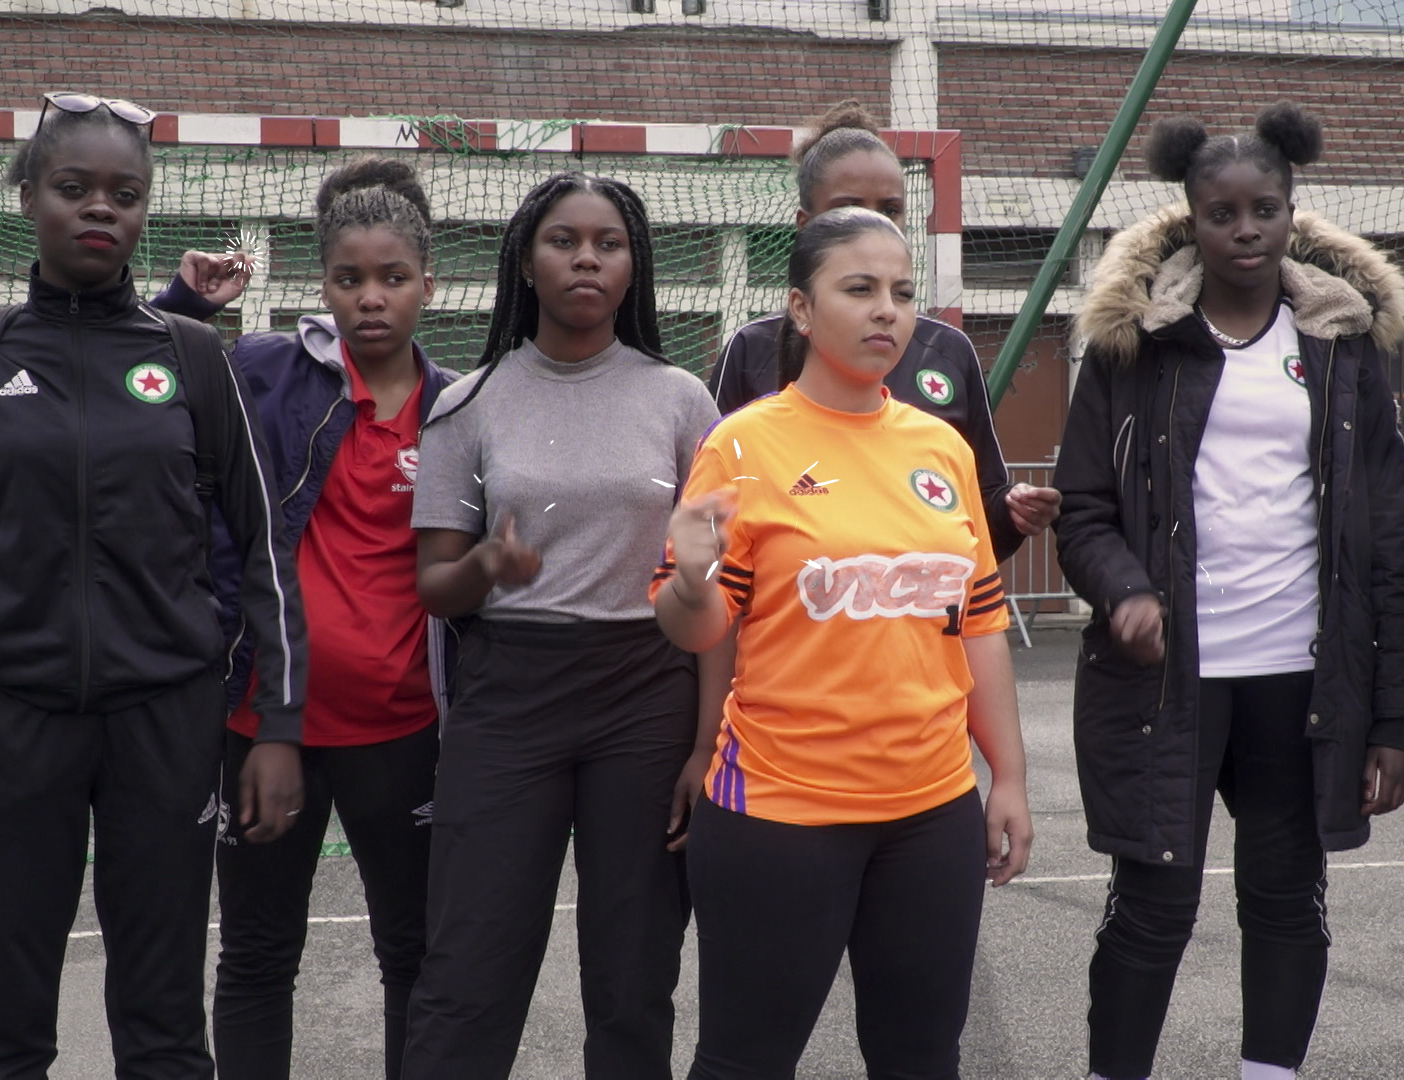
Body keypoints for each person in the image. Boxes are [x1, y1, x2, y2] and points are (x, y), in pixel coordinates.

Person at [0, 91, 305, 1079]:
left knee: (165, 1030)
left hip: (166, 727)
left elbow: (264, 551)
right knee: (7, 1035)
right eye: (74, 186)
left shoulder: (192, 358)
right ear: (29, 197)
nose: (101, 207)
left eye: (124, 194)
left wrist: (278, 725)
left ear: (144, 211)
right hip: (17, 725)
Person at [1052, 103, 1404, 1080]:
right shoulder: (1134, 346)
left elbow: (1390, 534)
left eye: (1265, 208)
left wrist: (1398, 713)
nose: (1246, 229)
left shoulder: (1342, 345)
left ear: (1293, 211)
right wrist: (1124, 592)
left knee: (1286, 898)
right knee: (1153, 907)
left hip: (1302, 679)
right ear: (1193, 218)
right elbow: (1082, 510)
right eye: (1222, 213)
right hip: (1166, 679)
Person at [653, 205, 1035, 1079]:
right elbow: (696, 628)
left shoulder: (941, 448)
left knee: (922, 1059)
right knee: (744, 1062)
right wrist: (691, 577)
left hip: (931, 809)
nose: (886, 310)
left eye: (901, 291)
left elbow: (977, 623)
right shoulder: (743, 444)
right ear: (799, 307)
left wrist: (1008, 777)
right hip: (780, 811)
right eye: (858, 289)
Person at [401, 172, 718, 1079]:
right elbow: (434, 587)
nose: (586, 258)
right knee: (470, 963)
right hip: (511, 692)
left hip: (646, 690)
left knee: (633, 972)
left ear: (634, 266)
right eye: (563, 241)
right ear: (524, 262)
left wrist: (705, 746)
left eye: (608, 244)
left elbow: (715, 590)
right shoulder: (469, 404)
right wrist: (485, 567)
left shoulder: (682, 401)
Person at [151, 156, 457, 1080]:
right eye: (348, 278)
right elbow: (143, 376)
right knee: (256, 955)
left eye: (392, 277)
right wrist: (185, 302)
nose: (371, 298)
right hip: (262, 726)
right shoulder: (265, 371)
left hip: (403, 731)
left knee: (414, 956)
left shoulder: (459, 409)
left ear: (428, 285)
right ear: (322, 286)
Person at [706, 100, 1059, 558]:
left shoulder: (947, 352)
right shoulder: (751, 351)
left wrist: (1012, 514)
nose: (872, 222)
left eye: (890, 209)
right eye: (849, 206)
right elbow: (710, 526)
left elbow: (975, 518)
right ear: (804, 224)